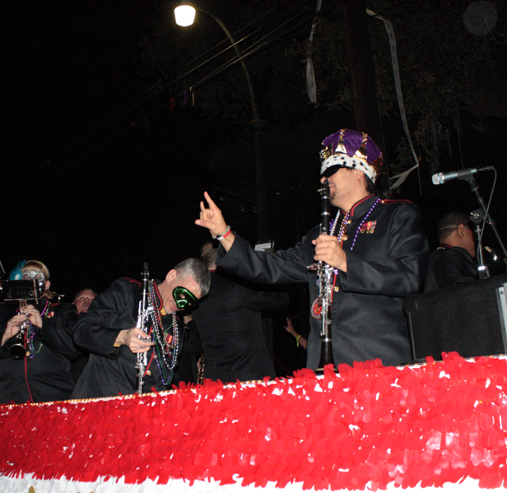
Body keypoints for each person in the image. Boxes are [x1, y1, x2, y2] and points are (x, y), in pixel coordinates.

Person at [196, 129, 429, 369]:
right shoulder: (320, 233)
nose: (322, 179)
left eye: (330, 171)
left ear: (359, 172)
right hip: (322, 367)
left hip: (379, 363)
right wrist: (224, 233)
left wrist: (346, 262)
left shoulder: (396, 214)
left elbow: (409, 277)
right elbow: (271, 267)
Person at [72, 259, 209, 399]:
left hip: (140, 412)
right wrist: (121, 337)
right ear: (171, 276)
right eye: (182, 295)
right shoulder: (128, 291)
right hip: (99, 401)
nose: (182, 305)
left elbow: (164, 379)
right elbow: (81, 331)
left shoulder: (177, 327)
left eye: (190, 302)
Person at [0, 260, 85, 405]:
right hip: (8, 399)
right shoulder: (0, 311)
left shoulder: (62, 310)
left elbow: (74, 346)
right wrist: (4, 337)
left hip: (53, 398)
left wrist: (43, 325)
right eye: (25, 278)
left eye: (36, 277)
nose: (30, 282)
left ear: (46, 285)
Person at [191, 240, 289, 382]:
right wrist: (262, 268)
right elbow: (281, 299)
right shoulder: (237, 286)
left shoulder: (196, 293)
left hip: (215, 380)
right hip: (249, 380)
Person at [424, 212, 480, 291]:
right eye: (472, 230)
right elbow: (466, 295)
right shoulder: (451, 257)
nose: (475, 235)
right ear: (461, 230)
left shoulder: (436, 257)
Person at [67, 288, 97, 385]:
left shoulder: (104, 328)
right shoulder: (62, 327)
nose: (87, 302)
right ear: (73, 304)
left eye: (91, 300)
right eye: (82, 298)